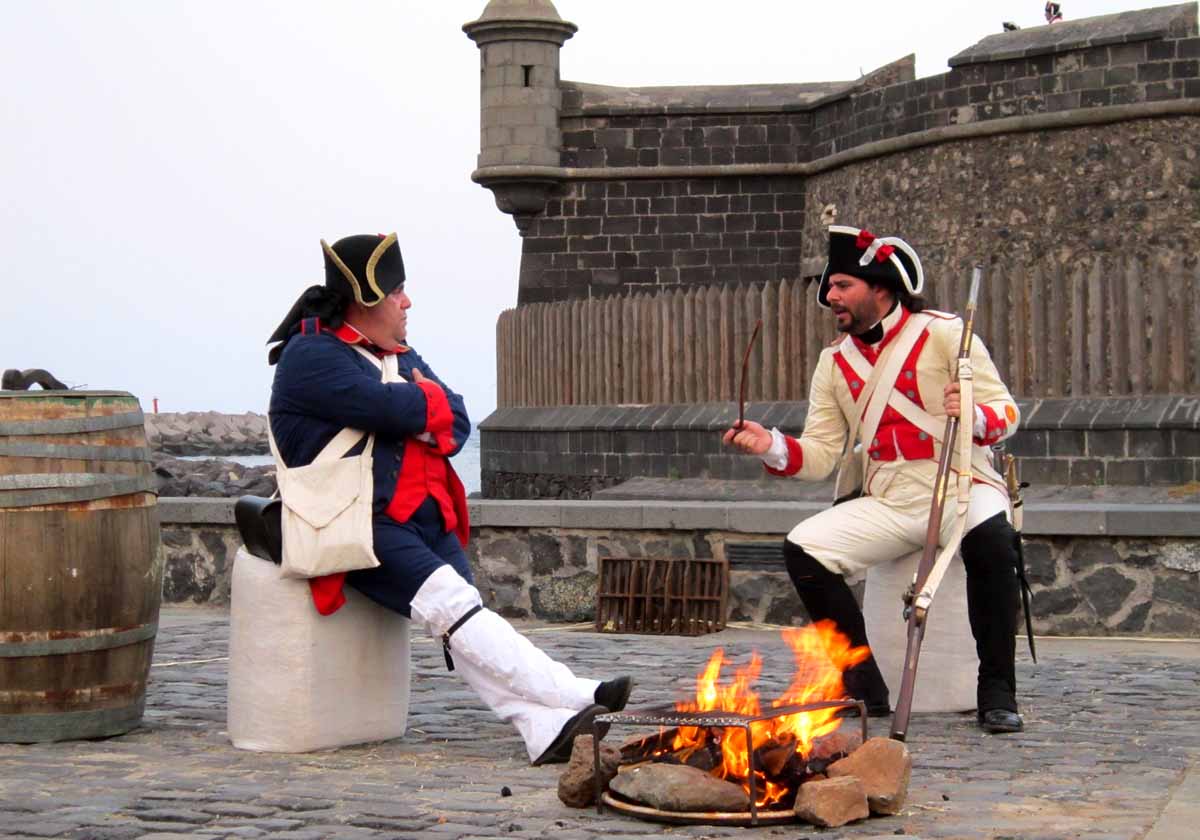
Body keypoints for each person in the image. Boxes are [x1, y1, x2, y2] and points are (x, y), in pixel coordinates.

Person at [266, 232, 633, 764]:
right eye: (397, 292)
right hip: (353, 521)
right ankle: (571, 691)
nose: (407, 302)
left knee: (464, 621)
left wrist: (419, 406)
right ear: (367, 299)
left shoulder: (399, 354)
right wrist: (419, 406)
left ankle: (542, 729)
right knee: (456, 609)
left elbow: (456, 421)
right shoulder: (311, 356)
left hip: (419, 516)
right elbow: (390, 410)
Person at [723, 225, 1025, 734]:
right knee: (804, 547)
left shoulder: (945, 332)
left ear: (880, 288)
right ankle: (863, 686)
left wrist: (972, 416)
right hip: (891, 496)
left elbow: (1007, 412)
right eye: (830, 287)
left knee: (994, 543)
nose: (830, 297)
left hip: (960, 484)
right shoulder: (834, 362)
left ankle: (997, 689)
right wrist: (770, 445)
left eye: (841, 285)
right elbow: (820, 454)